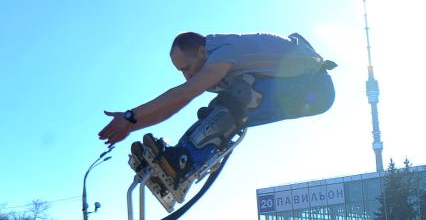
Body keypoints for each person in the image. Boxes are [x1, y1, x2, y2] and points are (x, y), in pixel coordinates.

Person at [98, 32, 336, 184]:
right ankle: (179, 161)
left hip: (313, 86)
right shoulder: (213, 61)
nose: (187, 75)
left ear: (202, 51)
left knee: (238, 98)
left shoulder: (224, 51)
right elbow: (174, 106)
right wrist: (132, 125)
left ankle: (184, 160)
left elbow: (183, 94)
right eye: (181, 71)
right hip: (292, 88)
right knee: (220, 109)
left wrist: (131, 116)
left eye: (187, 67)